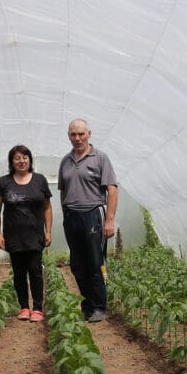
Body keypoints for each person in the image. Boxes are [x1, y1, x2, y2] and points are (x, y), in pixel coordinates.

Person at [58, 118, 117, 323]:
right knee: (77, 264)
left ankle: (99, 306)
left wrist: (109, 220)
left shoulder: (100, 158)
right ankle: (87, 304)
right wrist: (65, 213)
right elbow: (63, 191)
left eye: (81, 134)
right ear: (69, 136)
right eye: (73, 134)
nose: (77, 138)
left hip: (93, 213)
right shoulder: (65, 161)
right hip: (72, 216)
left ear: (89, 134)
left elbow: (112, 189)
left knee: (95, 261)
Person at [0, 144, 53, 322]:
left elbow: (47, 207)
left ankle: (38, 308)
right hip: (13, 236)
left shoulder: (40, 180)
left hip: (35, 235)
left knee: (35, 271)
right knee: (18, 272)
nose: (21, 161)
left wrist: (48, 231)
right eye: (17, 158)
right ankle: (24, 307)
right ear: (12, 161)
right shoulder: (3, 182)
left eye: (25, 157)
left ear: (30, 159)